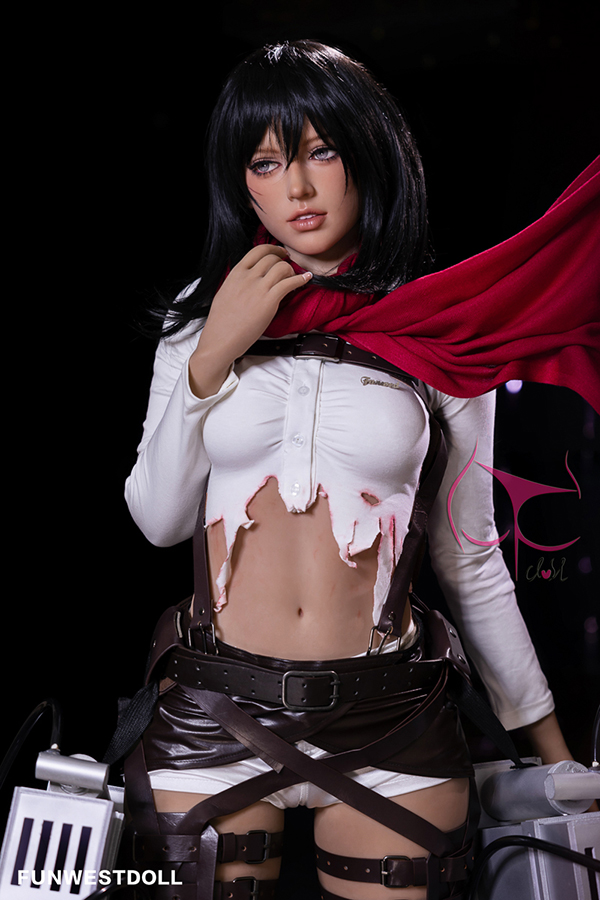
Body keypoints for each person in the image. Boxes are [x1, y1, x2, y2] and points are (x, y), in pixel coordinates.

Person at [124, 39, 581, 900]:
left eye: (320, 152)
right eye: (266, 163)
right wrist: (213, 356)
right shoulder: (200, 319)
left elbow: (470, 560)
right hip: (218, 709)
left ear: (368, 153)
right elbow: (158, 520)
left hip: (392, 716)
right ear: (242, 184)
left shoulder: (440, 326)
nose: (296, 188)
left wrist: (554, 756)